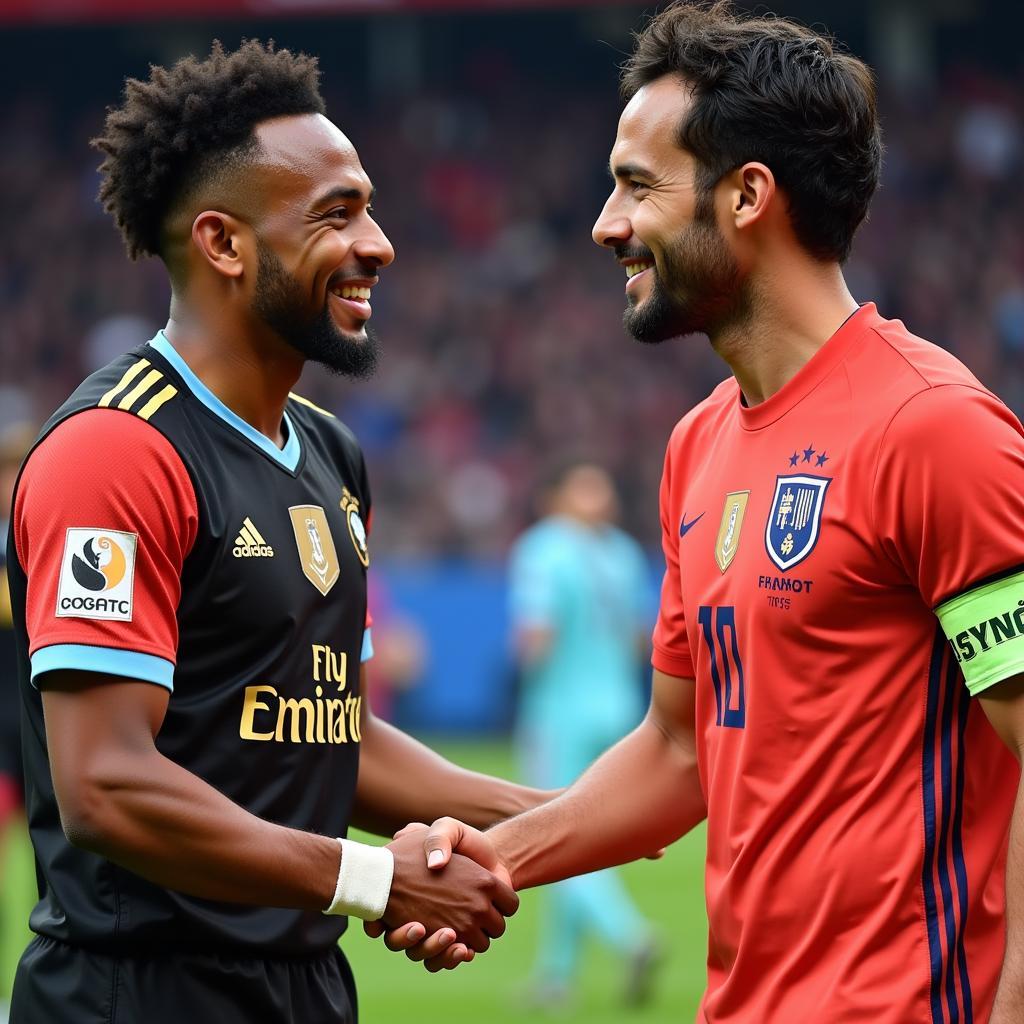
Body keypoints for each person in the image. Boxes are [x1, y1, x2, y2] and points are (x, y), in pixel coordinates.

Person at [385, 3, 1024, 1021]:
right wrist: (492, 855)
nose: (604, 222)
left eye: (636, 185)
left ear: (747, 197)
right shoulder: (698, 444)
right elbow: (679, 751)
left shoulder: (934, 430)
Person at [4, 40, 547, 1023]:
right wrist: (376, 881)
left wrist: (569, 821)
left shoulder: (331, 453)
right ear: (223, 242)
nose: (377, 243)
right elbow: (108, 785)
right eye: (336, 214)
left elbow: (341, 740)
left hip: (304, 987)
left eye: (369, 209)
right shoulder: (115, 452)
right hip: (142, 993)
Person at [508, 461, 659, 1006]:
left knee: (556, 836)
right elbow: (644, 635)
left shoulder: (543, 548)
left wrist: (516, 668)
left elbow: (537, 635)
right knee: (582, 837)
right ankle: (556, 977)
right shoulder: (622, 552)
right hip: (620, 710)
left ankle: (631, 937)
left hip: (560, 712)